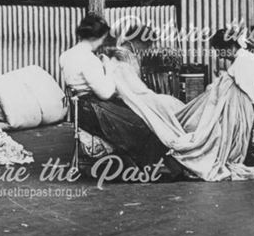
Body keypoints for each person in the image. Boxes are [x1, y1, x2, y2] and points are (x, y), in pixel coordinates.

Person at [58, 14, 185, 179]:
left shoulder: (66, 55)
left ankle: (148, 166)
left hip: (79, 109)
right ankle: (157, 169)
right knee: (142, 124)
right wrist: (108, 68)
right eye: (102, 38)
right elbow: (106, 93)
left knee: (139, 119)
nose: (103, 42)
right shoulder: (89, 59)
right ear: (96, 37)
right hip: (93, 109)